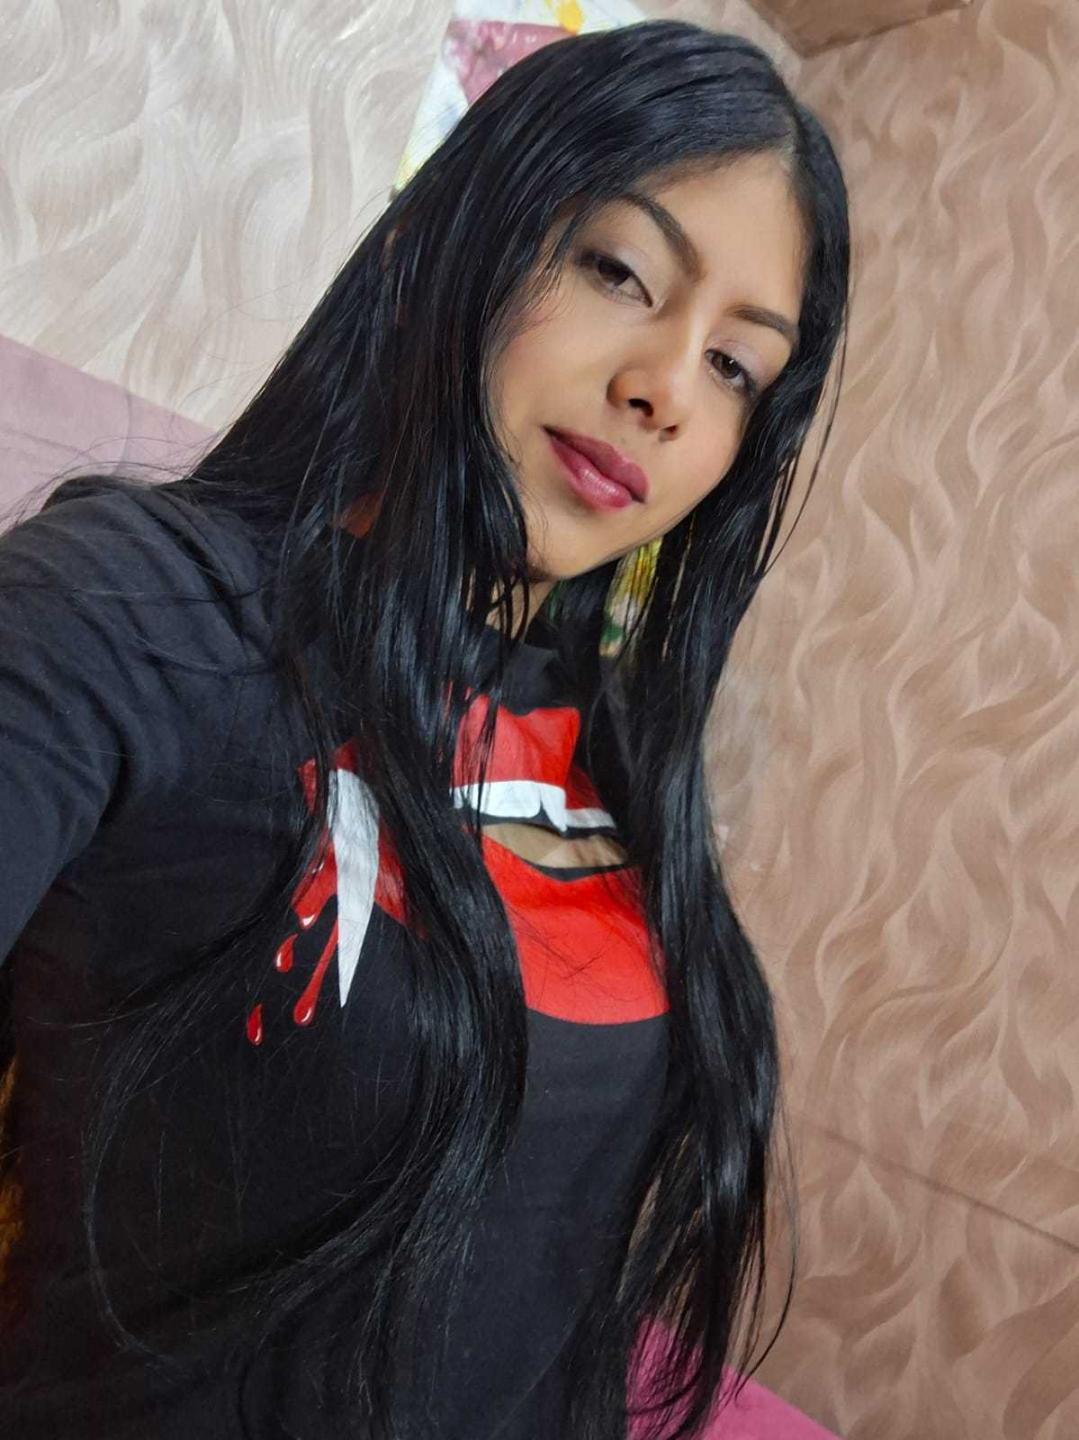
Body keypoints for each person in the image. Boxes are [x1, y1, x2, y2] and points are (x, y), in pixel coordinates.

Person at [0, 19, 849, 1440]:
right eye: (618, 270)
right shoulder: (134, 618)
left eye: (735, 368)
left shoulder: (617, 751)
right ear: (437, 244)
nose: (663, 388)